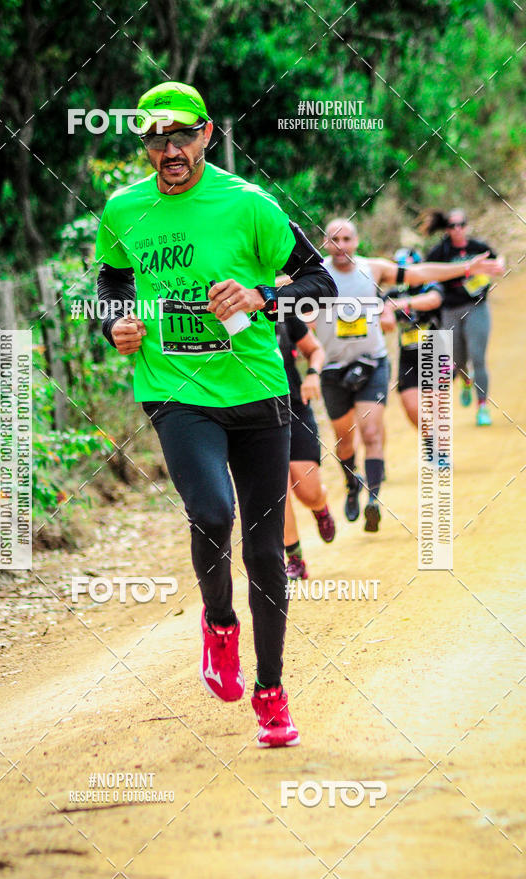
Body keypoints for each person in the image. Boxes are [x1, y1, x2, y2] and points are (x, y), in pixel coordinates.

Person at [95, 81, 337, 748]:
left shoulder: (247, 204)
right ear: (144, 145)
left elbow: (320, 278)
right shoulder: (123, 209)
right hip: (176, 391)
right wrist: (115, 321)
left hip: (259, 391)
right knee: (209, 512)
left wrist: (262, 294)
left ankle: (271, 691)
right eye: (155, 138)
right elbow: (112, 279)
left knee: (264, 550)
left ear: (206, 134)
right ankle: (219, 623)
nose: (168, 149)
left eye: (181, 135)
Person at [315, 218, 503, 532]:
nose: (341, 245)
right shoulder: (316, 273)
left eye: (347, 238)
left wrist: (467, 267)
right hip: (343, 366)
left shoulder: (375, 270)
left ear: (357, 241)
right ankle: (353, 484)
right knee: (349, 439)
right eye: (334, 239)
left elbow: (427, 276)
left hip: (409, 354)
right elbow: (278, 287)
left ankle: (375, 497)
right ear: (324, 243)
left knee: (374, 432)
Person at [423, 209, 505, 426]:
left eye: (461, 225)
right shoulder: (440, 252)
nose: (457, 229)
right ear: (447, 229)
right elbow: (425, 272)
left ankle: (482, 407)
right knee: (458, 360)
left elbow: (497, 259)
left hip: (477, 307)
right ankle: (465, 381)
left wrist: (499, 265)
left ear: (467, 226)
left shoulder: (477, 248)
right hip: (450, 310)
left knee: (478, 357)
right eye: (452, 226)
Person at [274, 316, 334, 581]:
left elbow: (315, 349)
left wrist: (313, 374)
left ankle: (320, 507)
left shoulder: (281, 312)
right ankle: (294, 558)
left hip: (295, 409)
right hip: (256, 416)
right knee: (278, 489)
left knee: (308, 492)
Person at [382, 248, 443, 429]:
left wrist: (403, 304)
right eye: (402, 270)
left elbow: (434, 300)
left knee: (435, 407)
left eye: (410, 269)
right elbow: (380, 312)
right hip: (407, 358)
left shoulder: (430, 286)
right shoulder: (393, 294)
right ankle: (431, 443)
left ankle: (441, 452)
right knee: (412, 408)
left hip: (434, 353)